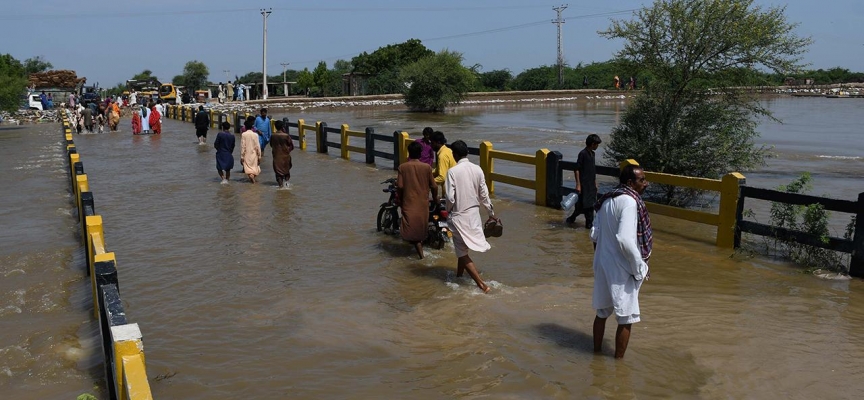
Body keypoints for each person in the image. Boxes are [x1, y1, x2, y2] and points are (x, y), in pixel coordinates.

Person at [590, 164, 652, 359]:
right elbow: (625, 239)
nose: (646, 183)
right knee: (626, 318)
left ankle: (596, 355)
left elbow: (594, 234)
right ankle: (619, 365)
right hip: (621, 268)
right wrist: (638, 267)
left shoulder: (607, 200)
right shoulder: (629, 202)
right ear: (630, 183)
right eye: (642, 180)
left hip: (603, 264)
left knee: (602, 312)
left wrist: (600, 259)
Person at [445, 140, 496, 293]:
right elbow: (484, 195)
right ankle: (459, 275)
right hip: (474, 216)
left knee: (461, 251)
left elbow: (450, 197)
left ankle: (482, 285)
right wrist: (491, 214)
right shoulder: (477, 169)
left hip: (459, 216)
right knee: (463, 249)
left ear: (454, 154)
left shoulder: (453, 172)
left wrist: (448, 211)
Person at [398, 141, 438, 259]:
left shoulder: (403, 167)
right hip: (423, 203)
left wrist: (400, 199)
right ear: (420, 154)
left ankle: (421, 256)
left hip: (408, 202)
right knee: (420, 228)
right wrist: (435, 198)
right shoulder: (427, 167)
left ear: (409, 154)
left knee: (411, 229)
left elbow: (400, 186)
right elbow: (434, 186)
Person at [567, 134, 602, 228]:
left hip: (591, 185)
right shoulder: (583, 153)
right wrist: (578, 184)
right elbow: (577, 169)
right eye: (597, 144)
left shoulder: (592, 154)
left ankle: (583, 223)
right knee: (583, 207)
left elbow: (592, 170)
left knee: (590, 206)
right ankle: (588, 226)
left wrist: (595, 183)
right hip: (583, 185)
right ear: (593, 144)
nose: (597, 146)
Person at [270, 120, 295, 188]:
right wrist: (287, 151)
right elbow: (292, 146)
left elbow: (271, 145)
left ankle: (280, 186)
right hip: (285, 156)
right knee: (286, 171)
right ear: (282, 127)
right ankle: (286, 185)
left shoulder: (273, 135)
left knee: (278, 173)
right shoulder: (286, 136)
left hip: (276, 156)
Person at [240, 118, 262, 183]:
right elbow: (258, 146)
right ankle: (253, 179)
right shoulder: (255, 135)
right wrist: (259, 156)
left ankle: (252, 178)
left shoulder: (244, 135)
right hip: (254, 154)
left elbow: (243, 146)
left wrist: (242, 156)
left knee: (248, 169)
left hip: (247, 154)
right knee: (254, 168)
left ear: (246, 127)